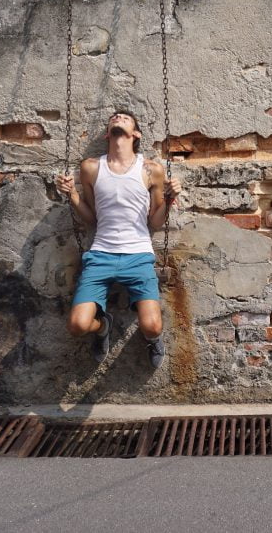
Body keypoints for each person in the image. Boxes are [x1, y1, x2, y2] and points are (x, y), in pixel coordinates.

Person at [54, 110, 181, 367]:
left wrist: (169, 200)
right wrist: (72, 195)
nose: (118, 117)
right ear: (106, 134)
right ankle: (103, 327)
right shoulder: (91, 168)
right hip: (100, 255)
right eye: (115, 117)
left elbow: (155, 222)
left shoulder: (151, 170)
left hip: (138, 256)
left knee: (152, 326)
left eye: (125, 117)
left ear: (136, 134)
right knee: (78, 325)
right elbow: (91, 218)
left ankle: (153, 340)